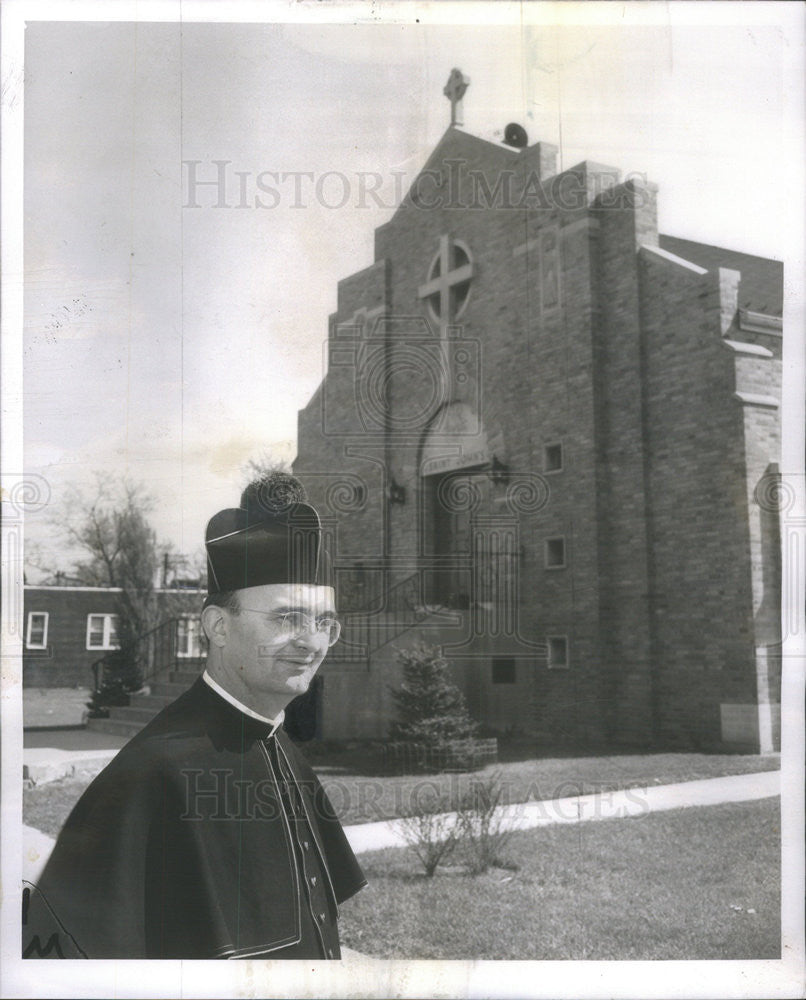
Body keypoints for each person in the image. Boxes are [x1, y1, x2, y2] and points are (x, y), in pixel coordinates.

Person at [22, 476, 366, 959]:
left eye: (324, 622)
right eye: (287, 619)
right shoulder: (149, 774)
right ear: (218, 626)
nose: (312, 642)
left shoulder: (278, 744)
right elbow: (63, 966)